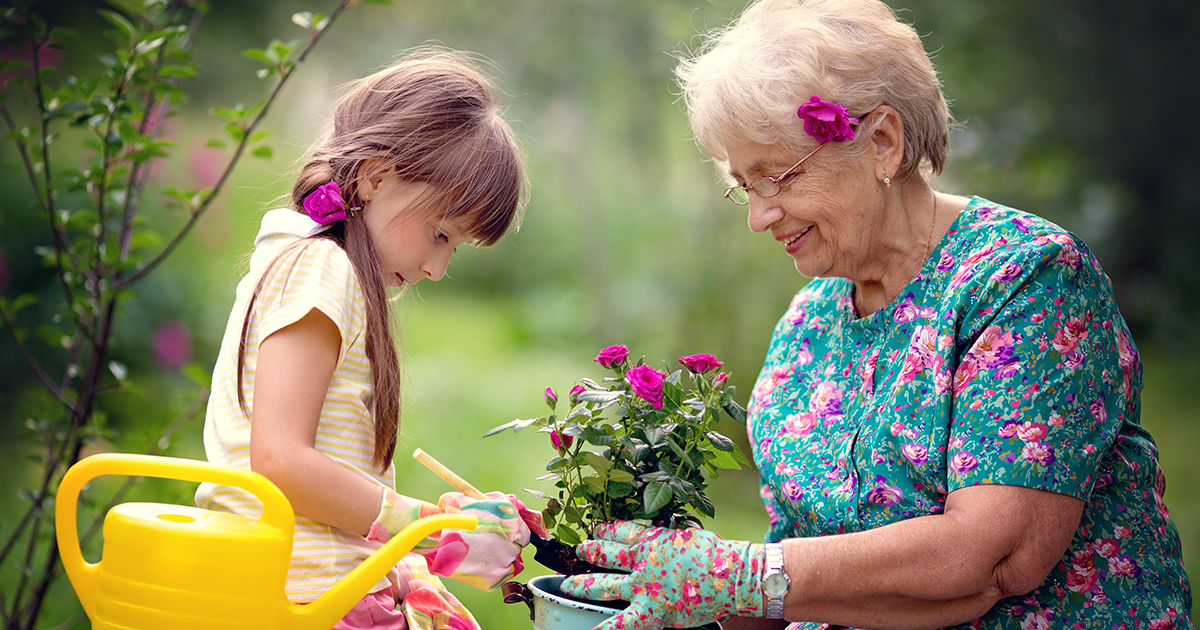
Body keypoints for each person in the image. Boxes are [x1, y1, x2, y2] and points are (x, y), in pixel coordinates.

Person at [560, 1, 1194, 629]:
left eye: (777, 177)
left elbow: (994, 558)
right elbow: (795, 579)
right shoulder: (806, 327)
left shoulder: (1025, 277)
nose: (759, 217)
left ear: (883, 143)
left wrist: (735, 574)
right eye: (744, 186)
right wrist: (639, 585)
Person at [195, 48, 545, 630]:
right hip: (302, 599)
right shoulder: (320, 269)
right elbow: (279, 461)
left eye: (453, 248)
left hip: (315, 586)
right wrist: (433, 534)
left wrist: (418, 546)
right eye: (440, 234)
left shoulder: (327, 272)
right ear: (376, 176)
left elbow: (326, 479)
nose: (438, 268)